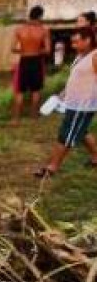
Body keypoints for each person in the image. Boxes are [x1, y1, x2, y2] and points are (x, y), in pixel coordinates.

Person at [35, 27, 97, 177]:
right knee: (81, 132)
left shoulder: (95, 56)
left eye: (76, 42)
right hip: (74, 102)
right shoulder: (81, 55)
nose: (73, 45)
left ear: (87, 40)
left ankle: (52, 167)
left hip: (83, 105)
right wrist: (63, 94)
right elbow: (76, 78)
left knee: (66, 134)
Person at [12, 5, 51, 124]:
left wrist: (24, 51)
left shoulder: (19, 29)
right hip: (36, 61)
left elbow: (13, 48)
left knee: (19, 90)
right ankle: (34, 117)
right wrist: (36, 51)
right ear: (40, 16)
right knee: (36, 90)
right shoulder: (44, 30)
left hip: (24, 60)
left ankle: (16, 119)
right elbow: (48, 50)